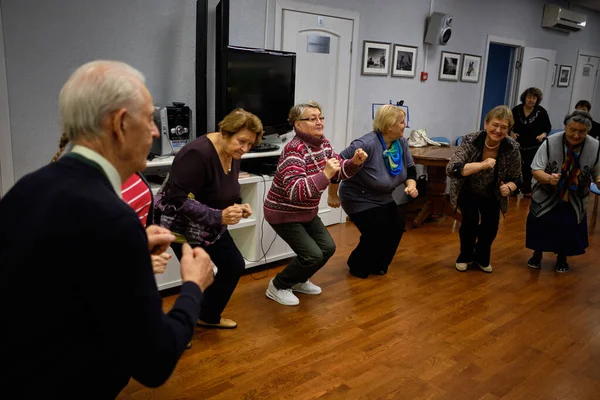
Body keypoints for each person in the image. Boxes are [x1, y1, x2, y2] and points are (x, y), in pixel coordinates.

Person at [0, 60, 214, 398]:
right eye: (149, 119)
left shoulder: (26, 188)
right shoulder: (113, 219)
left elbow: (53, 275)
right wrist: (193, 285)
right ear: (119, 124)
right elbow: (153, 362)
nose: (156, 131)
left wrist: (129, 251)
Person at [155, 108, 263, 329]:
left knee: (232, 265)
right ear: (225, 132)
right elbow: (177, 200)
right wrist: (219, 215)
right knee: (196, 276)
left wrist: (237, 205)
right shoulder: (197, 153)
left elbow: (223, 188)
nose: (245, 149)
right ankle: (178, 327)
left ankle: (207, 315)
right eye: (242, 142)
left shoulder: (233, 152)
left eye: (250, 145)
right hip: (179, 225)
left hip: (210, 222)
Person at [263, 101, 367, 306]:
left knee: (327, 248)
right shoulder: (293, 150)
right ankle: (278, 285)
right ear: (297, 124)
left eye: (320, 117)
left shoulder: (324, 144)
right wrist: (325, 174)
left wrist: (353, 163)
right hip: (283, 213)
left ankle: (298, 280)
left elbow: (337, 172)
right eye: (312, 118)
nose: (319, 122)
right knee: (312, 255)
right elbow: (296, 192)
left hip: (307, 211)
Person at [52, 133, 171, 275]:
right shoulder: (77, 191)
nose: (154, 131)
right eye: (146, 119)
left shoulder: (126, 168)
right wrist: (136, 264)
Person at [327, 105, 418, 278]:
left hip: (383, 197)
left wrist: (411, 185)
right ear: (389, 125)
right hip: (358, 197)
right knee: (377, 228)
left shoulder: (401, 143)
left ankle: (379, 264)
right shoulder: (365, 144)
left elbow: (410, 167)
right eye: (401, 122)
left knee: (397, 224)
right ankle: (357, 263)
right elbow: (336, 166)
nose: (405, 125)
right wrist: (332, 194)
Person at [447, 105, 522, 273]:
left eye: (504, 127)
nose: (498, 130)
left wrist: (510, 187)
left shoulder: (512, 148)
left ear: (509, 129)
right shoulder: (470, 140)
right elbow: (453, 168)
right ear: (486, 123)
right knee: (469, 222)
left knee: (490, 227)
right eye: (495, 125)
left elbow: (518, 177)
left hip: (493, 192)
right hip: (468, 189)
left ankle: (482, 257)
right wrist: (482, 165)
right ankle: (465, 256)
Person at [526, 110, 600, 273]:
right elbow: (536, 169)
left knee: (569, 225)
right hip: (547, 191)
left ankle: (562, 258)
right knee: (541, 222)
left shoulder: (595, 147)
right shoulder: (549, 142)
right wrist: (548, 178)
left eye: (582, 131)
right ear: (565, 127)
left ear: (588, 131)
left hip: (575, 194)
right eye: (572, 130)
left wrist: (598, 179)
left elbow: (597, 172)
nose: (576, 135)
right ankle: (537, 254)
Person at [510, 87, 552, 197]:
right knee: (515, 166)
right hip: (517, 144)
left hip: (533, 145)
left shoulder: (541, 112)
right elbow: (508, 123)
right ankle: (513, 188)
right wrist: (511, 133)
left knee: (528, 168)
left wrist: (542, 135)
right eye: (529, 97)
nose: (531, 100)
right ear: (525, 97)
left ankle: (527, 190)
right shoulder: (516, 110)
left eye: (534, 97)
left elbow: (547, 127)